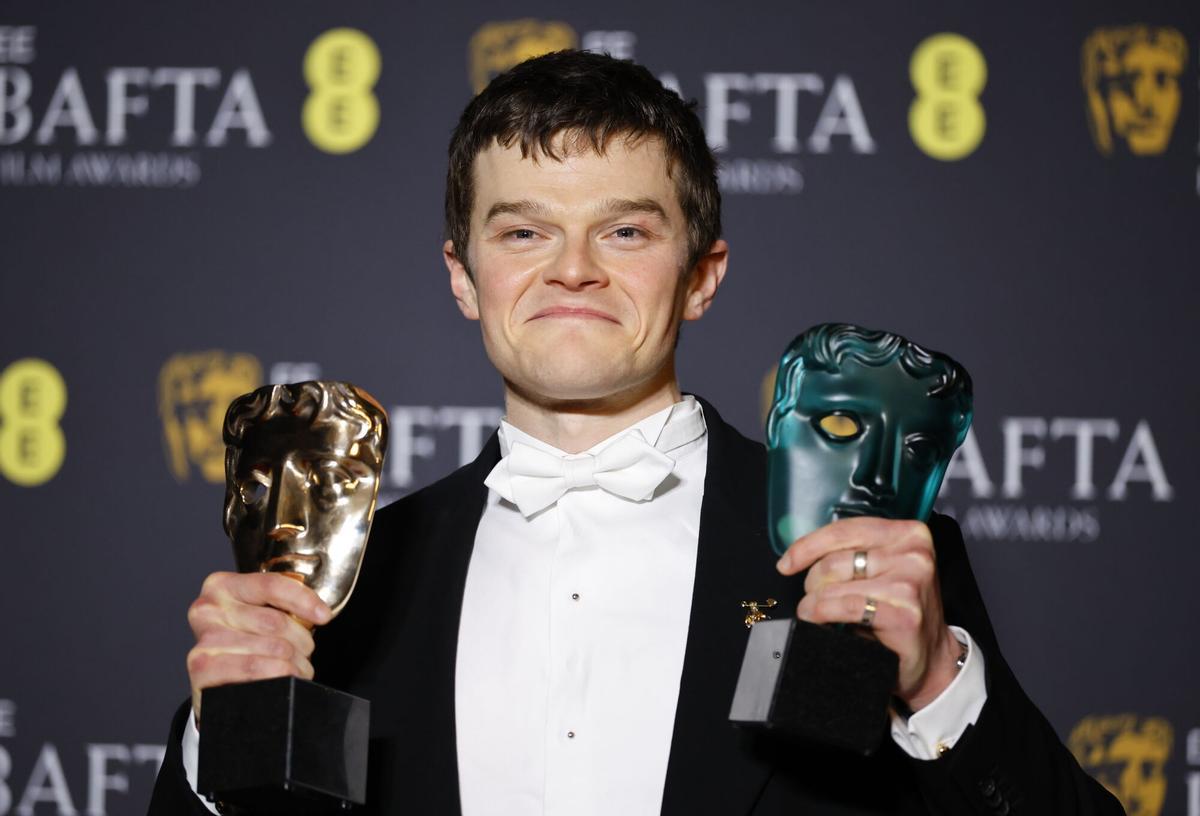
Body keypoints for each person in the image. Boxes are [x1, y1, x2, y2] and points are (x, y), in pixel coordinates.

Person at [149, 50, 1121, 815]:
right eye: (524, 232)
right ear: (462, 275)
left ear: (702, 276)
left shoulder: (872, 557)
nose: (573, 269)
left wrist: (941, 685)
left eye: (625, 231)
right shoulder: (347, 584)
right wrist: (222, 740)